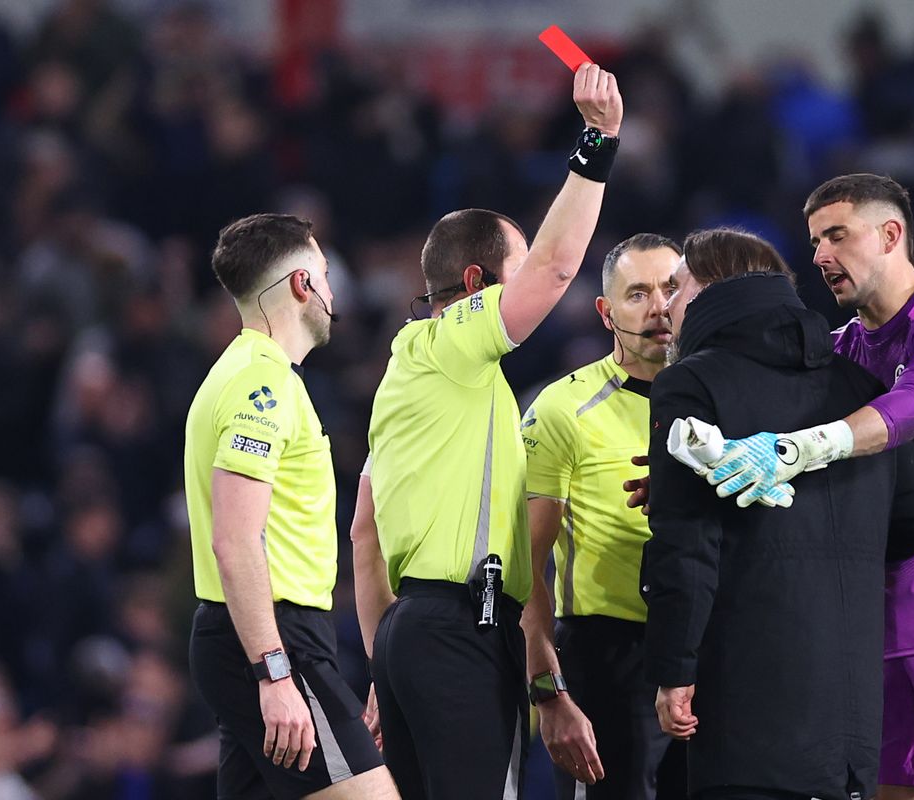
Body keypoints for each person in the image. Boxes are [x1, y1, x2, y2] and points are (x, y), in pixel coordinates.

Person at [684, 175, 914, 800]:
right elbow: (770, 431)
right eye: (815, 240)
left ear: (891, 234)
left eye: (837, 236)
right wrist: (689, 476)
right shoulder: (843, 348)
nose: (820, 256)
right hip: (879, 612)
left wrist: (798, 448)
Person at [354, 63, 623, 800]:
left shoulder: (407, 381)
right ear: (475, 286)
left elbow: (364, 536)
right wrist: (597, 139)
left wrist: (383, 662)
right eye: (517, 264)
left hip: (411, 630)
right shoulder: (452, 344)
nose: (530, 276)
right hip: (459, 630)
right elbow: (561, 266)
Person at [645, 227, 914, 800]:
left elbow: (683, 548)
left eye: (677, 284)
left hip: (746, 719)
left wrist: (673, 671)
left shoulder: (691, 382)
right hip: (851, 734)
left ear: (714, 289)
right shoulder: (860, 385)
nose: (666, 305)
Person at [184, 213, 399, 799]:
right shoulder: (265, 384)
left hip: (252, 635)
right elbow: (234, 539)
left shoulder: (236, 373)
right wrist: (275, 674)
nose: (333, 293)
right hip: (274, 639)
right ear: (302, 286)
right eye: (325, 276)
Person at [520, 233, 686, 799]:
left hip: (709, 648)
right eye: (637, 294)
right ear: (605, 312)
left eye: (671, 288)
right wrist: (549, 691)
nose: (659, 307)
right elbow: (525, 565)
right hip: (609, 657)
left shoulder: (723, 399)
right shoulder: (562, 409)